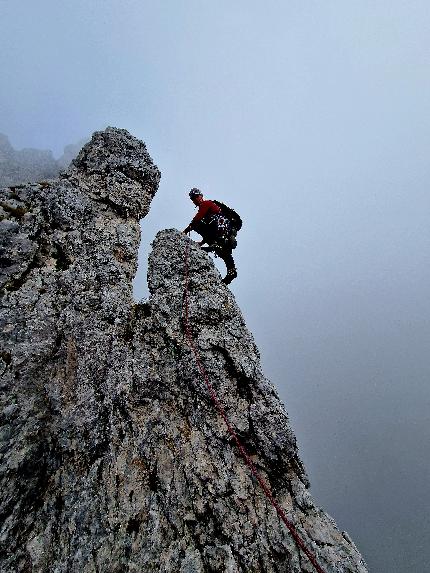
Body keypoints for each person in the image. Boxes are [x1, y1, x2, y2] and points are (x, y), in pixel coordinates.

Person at [183, 188, 238, 284]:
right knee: (223, 252)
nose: (195, 200)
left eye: (196, 196)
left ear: (201, 196)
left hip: (222, 230)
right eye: (193, 199)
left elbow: (197, 219)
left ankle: (216, 244)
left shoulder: (206, 204)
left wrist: (185, 231)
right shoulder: (209, 210)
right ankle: (231, 272)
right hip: (222, 232)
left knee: (197, 224)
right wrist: (203, 242)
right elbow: (209, 229)